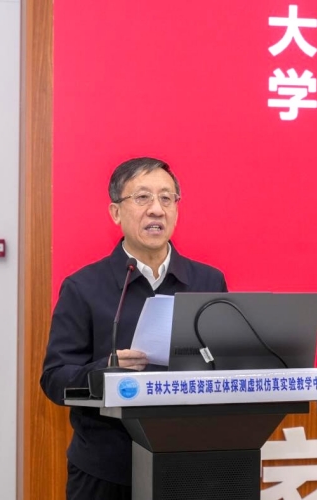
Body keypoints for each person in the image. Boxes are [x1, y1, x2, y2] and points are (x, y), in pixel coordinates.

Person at [40, 157, 228, 500]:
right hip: (106, 470)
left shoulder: (207, 282)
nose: (157, 209)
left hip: (190, 464)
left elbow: (225, 365)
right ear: (116, 212)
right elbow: (54, 378)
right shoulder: (83, 287)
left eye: (167, 198)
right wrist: (105, 370)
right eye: (142, 197)